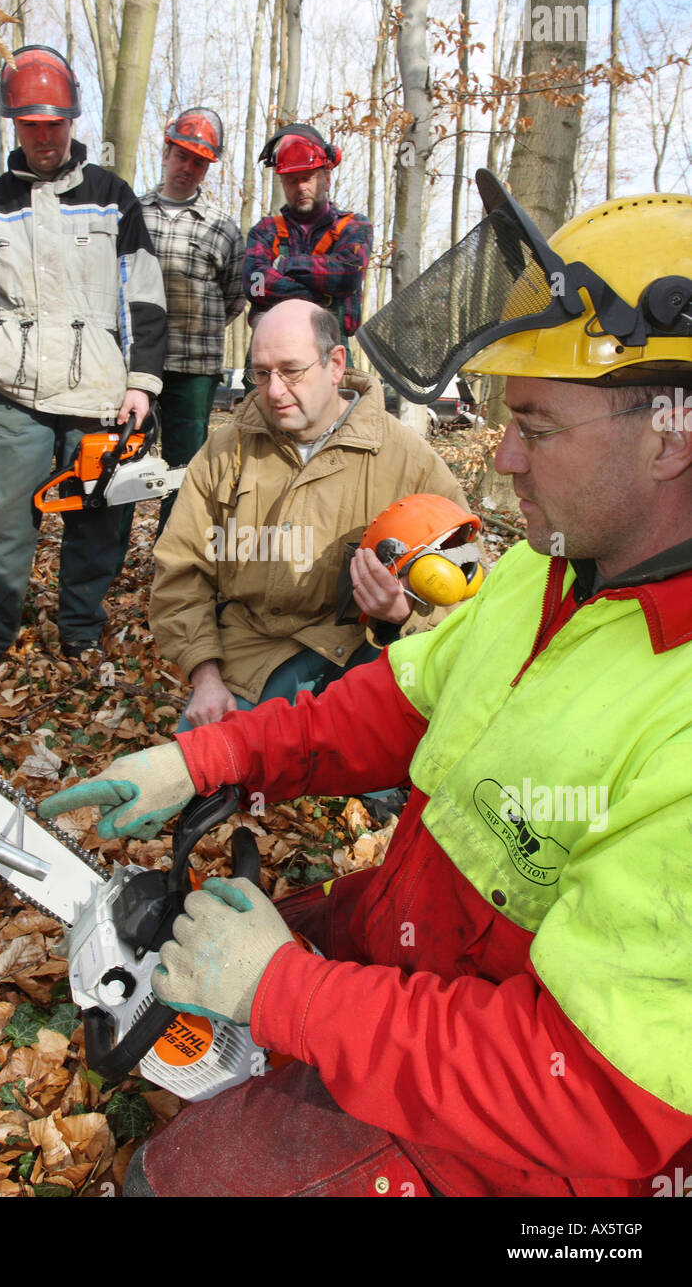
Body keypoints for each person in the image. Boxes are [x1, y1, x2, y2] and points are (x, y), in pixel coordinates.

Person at [40, 177, 692, 1197]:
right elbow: (396, 700)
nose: (504, 457)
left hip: (533, 1134)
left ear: (669, 430)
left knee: (169, 1184)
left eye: (538, 425)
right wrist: (203, 755)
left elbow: (596, 1090)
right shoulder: (550, 566)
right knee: (173, 966)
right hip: (417, 939)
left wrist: (293, 994)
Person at [0, 46, 167, 668]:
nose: (43, 137)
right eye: (31, 126)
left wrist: (140, 383)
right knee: (2, 520)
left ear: (72, 122)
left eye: (54, 125)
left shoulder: (111, 197)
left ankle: (81, 629)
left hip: (100, 391)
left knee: (98, 518)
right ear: (15, 125)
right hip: (16, 393)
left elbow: (142, 294)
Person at [149, 297, 471, 730]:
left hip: (367, 653)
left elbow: (468, 576)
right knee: (204, 770)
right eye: (261, 374)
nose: (274, 390)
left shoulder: (406, 458)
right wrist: (205, 676)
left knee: (389, 772)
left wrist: (404, 613)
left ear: (335, 364)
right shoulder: (226, 450)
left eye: (291, 370)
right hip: (252, 649)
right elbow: (179, 571)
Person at [139, 108, 245, 535]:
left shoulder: (222, 227)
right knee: (124, 464)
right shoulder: (132, 214)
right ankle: (106, 563)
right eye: (181, 156)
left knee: (184, 471)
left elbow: (234, 297)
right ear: (165, 153)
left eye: (198, 161)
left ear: (207, 168)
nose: (187, 168)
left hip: (195, 370)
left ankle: (175, 558)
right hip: (133, 368)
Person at [243, 124, 372, 359]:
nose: (301, 187)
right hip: (271, 351)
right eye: (292, 180)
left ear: (327, 177)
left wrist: (282, 265)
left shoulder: (353, 227)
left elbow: (347, 274)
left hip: (331, 349)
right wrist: (324, 296)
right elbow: (255, 285)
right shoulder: (265, 231)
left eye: (307, 177)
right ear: (282, 182)